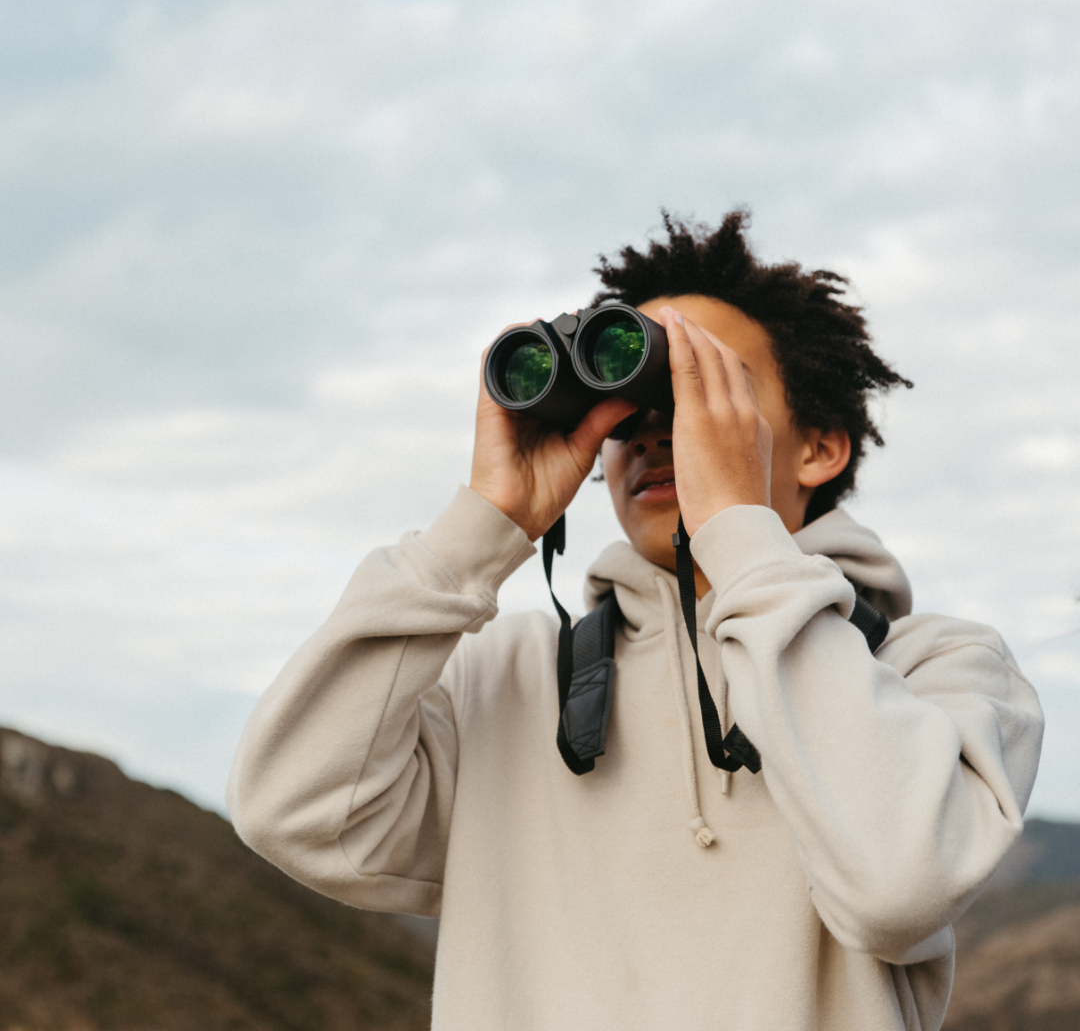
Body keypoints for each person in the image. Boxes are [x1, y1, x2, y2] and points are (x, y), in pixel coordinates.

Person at [228, 211, 1043, 1030]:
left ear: (820, 448)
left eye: (700, 390)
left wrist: (737, 534)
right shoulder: (505, 678)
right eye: (627, 408)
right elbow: (293, 809)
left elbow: (898, 888)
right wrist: (479, 531)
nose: (651, 430)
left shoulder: (937, 668)